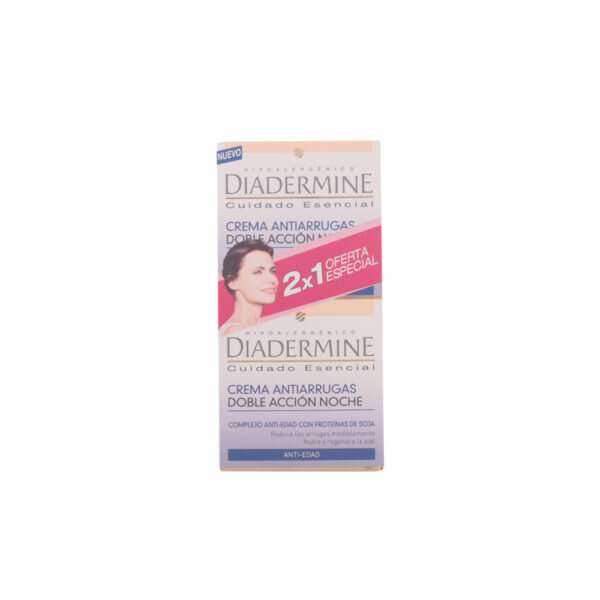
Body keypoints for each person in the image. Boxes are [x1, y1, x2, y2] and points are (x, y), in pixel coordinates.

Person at [220, 239, 278, 336]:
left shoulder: (253, 327)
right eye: (257, 272)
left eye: (273, 271)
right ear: (232, 282)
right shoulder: (237, 331)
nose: (272, 279)